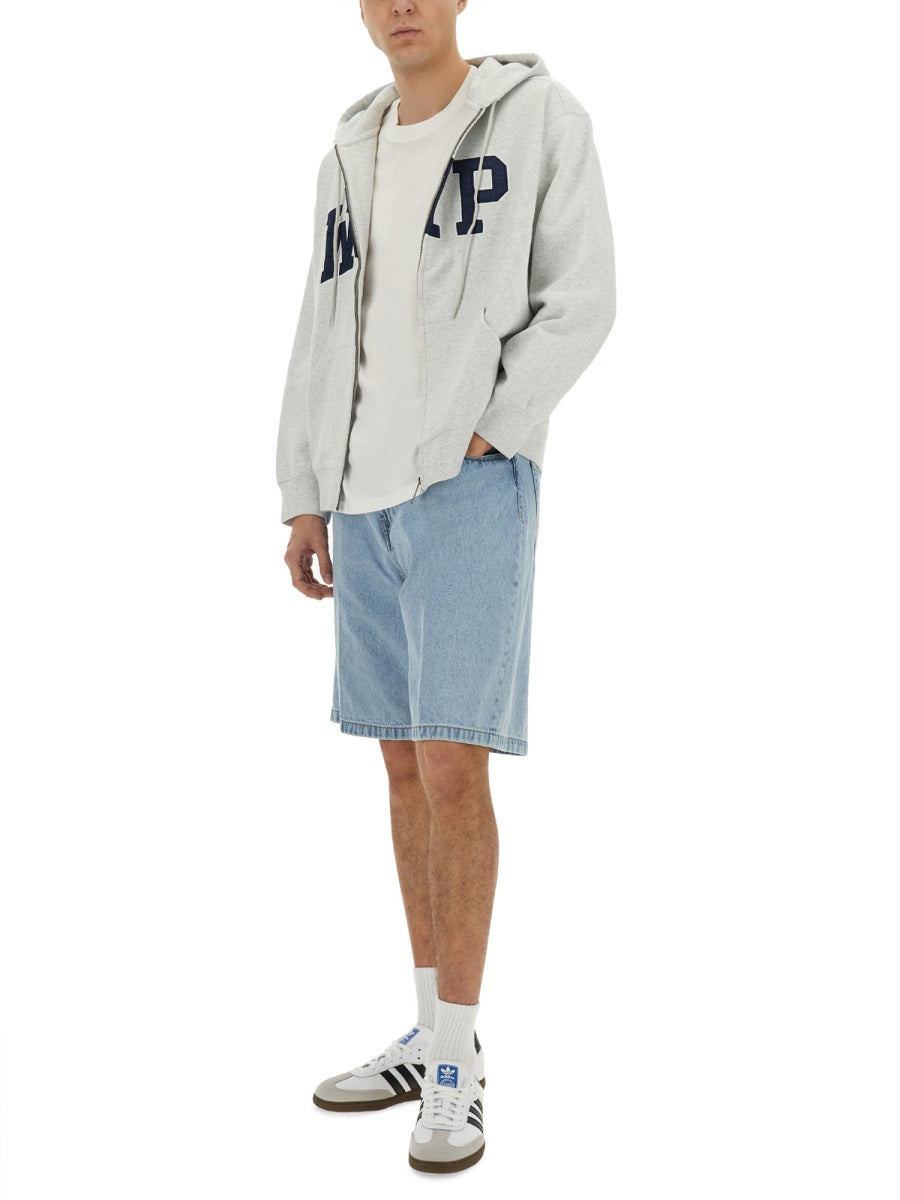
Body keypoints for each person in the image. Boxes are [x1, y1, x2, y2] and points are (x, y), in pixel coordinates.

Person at [275, 0, 615, 1175]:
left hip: (468, 488)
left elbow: (584, 295)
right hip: (359, 497)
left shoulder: (537, 117)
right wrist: (304, 490)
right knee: (403, 768)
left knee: (456, 767)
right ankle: (430, 1033)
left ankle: (462, 1064)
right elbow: (321, 328)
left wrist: (495, 426)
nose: (401, 5)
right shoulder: (348, 146)